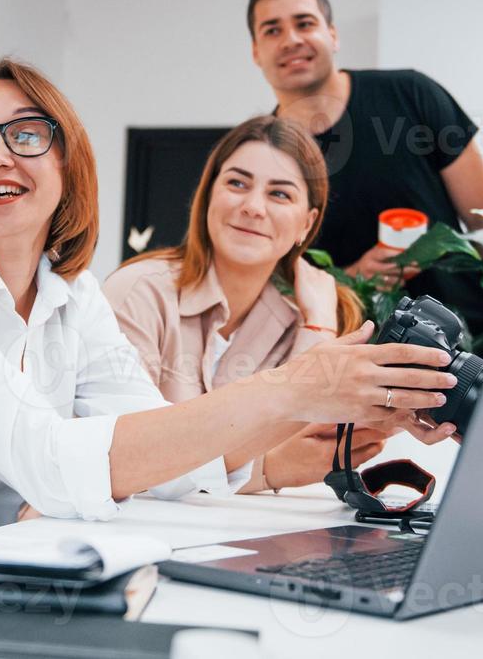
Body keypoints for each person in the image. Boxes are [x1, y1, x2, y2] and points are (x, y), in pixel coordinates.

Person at [0, 60, 457, 528]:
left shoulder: (72, 294)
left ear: (67, 165)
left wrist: (334, 396)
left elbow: (157, 453)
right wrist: (294, 390)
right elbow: (46, 461)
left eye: (27, 135)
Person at [106, 116, 423, 493]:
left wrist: (318, 326)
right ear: (209, 195)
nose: (253, 207)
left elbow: (306, 440)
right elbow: (127, 465)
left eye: (279, 194)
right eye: (237, 183)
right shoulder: (138, 294)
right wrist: (268, 470)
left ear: (307, 224)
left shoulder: (306, 315)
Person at [247, 0, 483, 337]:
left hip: (472, 342)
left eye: (304, 23)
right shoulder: (262, 155)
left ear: (332, 35)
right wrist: (352, 279)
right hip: (358, 364)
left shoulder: (412, 95)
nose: (291, 39)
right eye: (272, 30)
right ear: (256, 51)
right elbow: (270, 287)